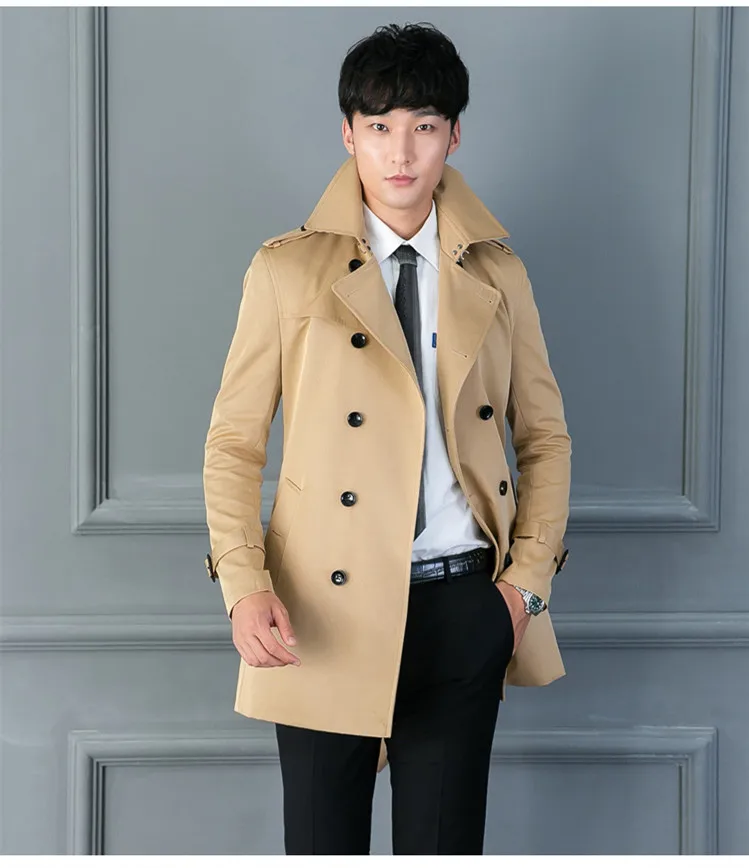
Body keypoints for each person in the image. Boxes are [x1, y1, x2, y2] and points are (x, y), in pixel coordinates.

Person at [203, 21, 571, 856]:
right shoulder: (286, 271)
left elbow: (545, 439)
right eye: (378, 127)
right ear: (348, 134)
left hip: (462, 605)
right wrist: (243, 584)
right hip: (319, 610)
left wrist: (523, 588)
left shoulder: (497, 275)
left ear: (452, 136)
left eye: (423, 126)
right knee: (322, 846)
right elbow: (232, 444)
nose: (400, 152)